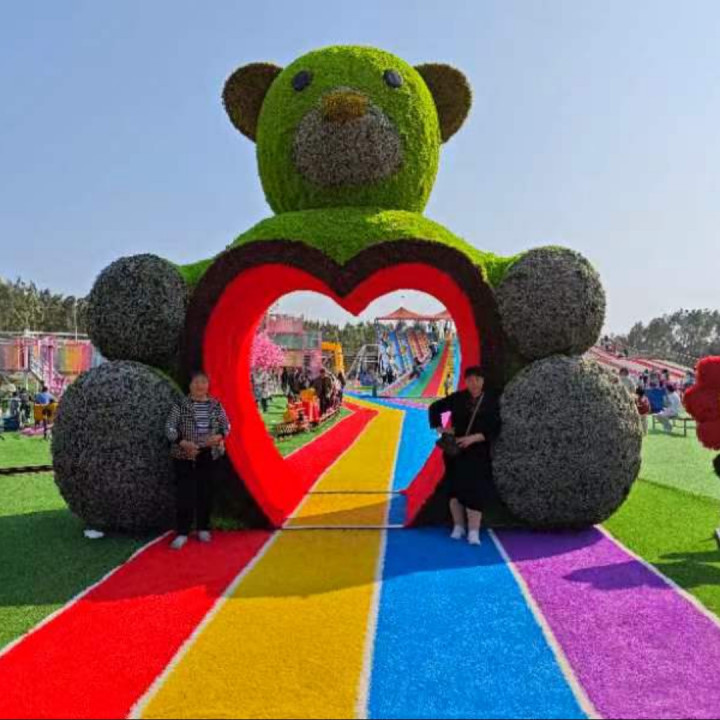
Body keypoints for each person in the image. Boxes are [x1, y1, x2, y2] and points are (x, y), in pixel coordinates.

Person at [428, 366, 500, 546]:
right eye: (470, 380)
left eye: (477, 379)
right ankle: (458, 526)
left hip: (478, 452)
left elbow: (496, 427)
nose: (474, 383)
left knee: (475, 490)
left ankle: (473, 531)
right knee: (454, 489)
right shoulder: (458, 398)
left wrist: (473, 438)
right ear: (465, 381)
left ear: (483, 381)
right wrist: (440, 428)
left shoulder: (491, 401)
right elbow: (434, 408)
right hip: (456, 451)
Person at [166, 370, 230, 550]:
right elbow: (169, 427)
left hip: (209, 453)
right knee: (184, 493)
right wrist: (182, 442)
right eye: (196, 382)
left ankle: (203, 527)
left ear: (208, 385)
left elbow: (226, 425)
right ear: (190, 385)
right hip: (185, 454)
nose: (200, 386)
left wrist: (219, 436)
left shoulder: (215, 405)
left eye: (203, 382)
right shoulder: (180, 405)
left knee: (206, 491)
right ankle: (182, 532)